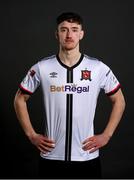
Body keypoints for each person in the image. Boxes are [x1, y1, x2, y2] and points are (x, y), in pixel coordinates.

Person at [14, 12, 125, 178]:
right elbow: (19, 99)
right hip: (51, 156)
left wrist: (106, 135)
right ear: (56, 34)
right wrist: (31, 135)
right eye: (64, 30)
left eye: (74, 29)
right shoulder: (42, 67)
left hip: (86, 156)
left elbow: (119, 101)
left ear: (81, 34)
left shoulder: (97, 68)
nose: (69, 34)